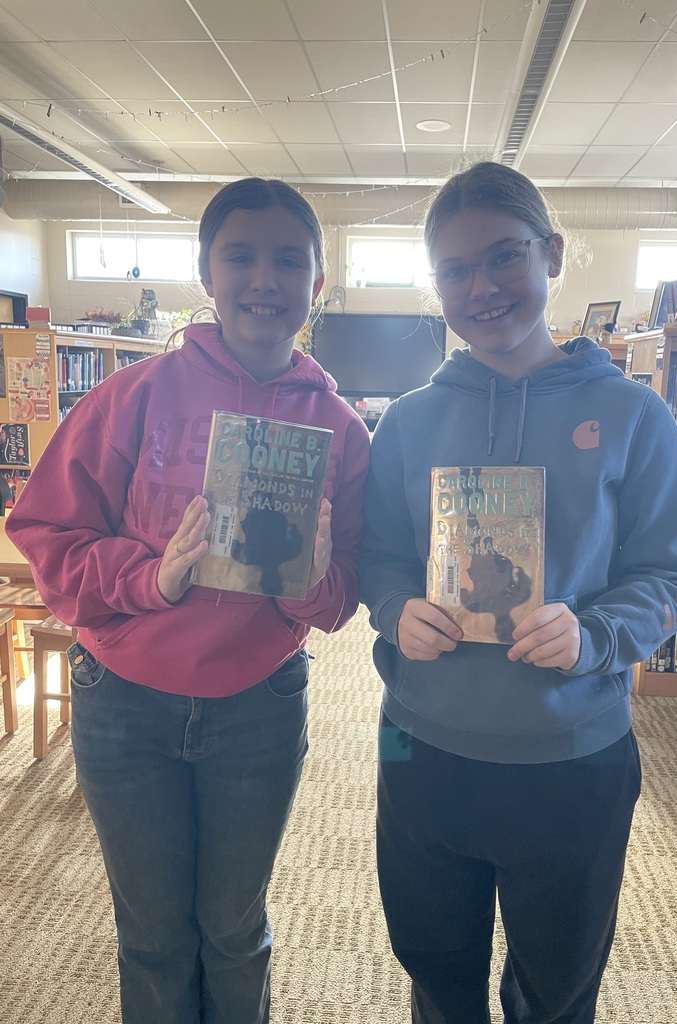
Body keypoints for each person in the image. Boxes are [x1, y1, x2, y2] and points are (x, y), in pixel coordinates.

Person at [7, 177, 371, 1024]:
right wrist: (151, 578)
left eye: (288, 261)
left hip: (259, 706)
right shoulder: (132, 397)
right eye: (239, 256)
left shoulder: (341, 430)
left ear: (316, 283)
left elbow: (340, 600)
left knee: (234, 930)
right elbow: (47, 537)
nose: (263, 280)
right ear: (206, 271)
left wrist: (315, 577)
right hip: (124, 703)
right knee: (154, 935)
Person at [358, 161, 677, 1024]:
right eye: (454, 269)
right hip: (420, 748)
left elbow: (675, 580)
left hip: (573, 759)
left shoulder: (634, 415)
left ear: (550, 254)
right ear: (434, 281)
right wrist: (398, 609)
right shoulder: (405, 421)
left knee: (555, 991)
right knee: (436, 976)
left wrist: (594, 635)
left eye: (504, 257)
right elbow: (376, 558)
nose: (481, 288)